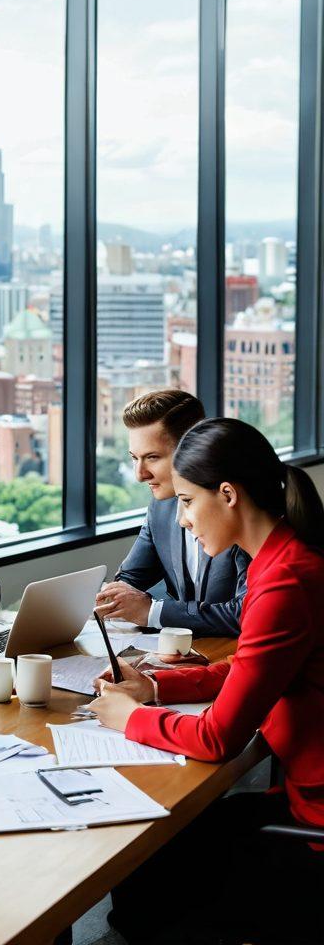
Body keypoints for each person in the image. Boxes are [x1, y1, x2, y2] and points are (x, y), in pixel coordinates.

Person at [90, 417, 324, 945]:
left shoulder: (284, 581)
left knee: (145, 886)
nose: (185, 520)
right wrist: (155, 687)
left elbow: (218, 739)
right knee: (155, 857)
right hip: (301, 800)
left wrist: (132, 718)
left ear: (228, 494)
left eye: (189, 502)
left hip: (313, 831)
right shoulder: (281, 561)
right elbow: (251, 669)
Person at [96, 389, 249, 636]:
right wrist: (112, 597)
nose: (139, 474)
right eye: (134, 458)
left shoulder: (233, 507)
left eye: (152, 457)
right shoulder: (162, 505)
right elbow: (131, 578)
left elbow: (247, 613)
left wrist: (152, 612)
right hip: (185, 655)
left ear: (192, 448)